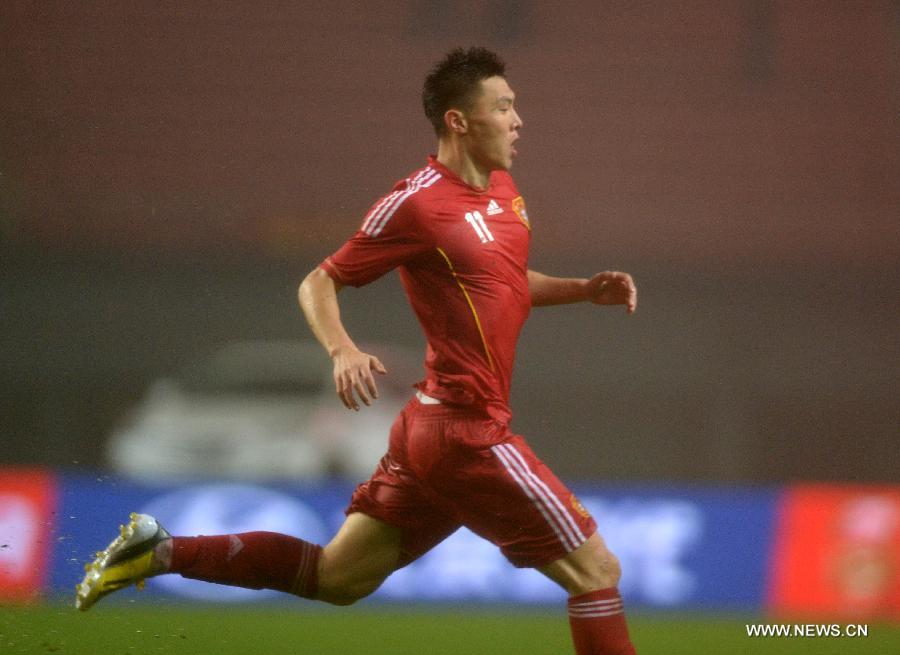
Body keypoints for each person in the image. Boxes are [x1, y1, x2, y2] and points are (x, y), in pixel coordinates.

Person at [76, 47, 639, 655]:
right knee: (596, 573)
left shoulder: (504, 192)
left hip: (431, 432)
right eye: (503, 107)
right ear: (458, 121)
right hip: (466, 434)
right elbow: (319, 281)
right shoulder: (417, 203)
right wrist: (342, 350)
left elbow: (502, 283)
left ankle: (157, 551)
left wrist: (582, 291)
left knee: (337, 577)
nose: (518, 120)